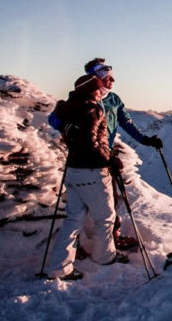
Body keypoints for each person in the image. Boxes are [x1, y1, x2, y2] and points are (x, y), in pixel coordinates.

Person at [45, 75, 127, 281]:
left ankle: (59, 268)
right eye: (99, 89)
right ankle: (104, 257)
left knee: (73, 220)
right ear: (92, 90)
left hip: (73, 170)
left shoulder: (69, 108)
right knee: (106, 218)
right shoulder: (92, 109)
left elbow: (76, 139)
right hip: (92, 171)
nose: (101, 92)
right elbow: (91, 143)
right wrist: (109, 160)